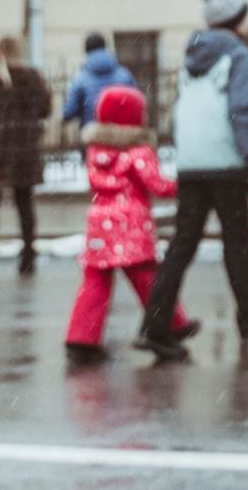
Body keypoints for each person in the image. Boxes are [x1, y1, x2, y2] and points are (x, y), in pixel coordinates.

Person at [139, 0, 248, 359]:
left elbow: (179, 112)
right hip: (225, 164)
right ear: (236, 18)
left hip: (192, 164)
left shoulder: (192, 56)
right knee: (237, 244)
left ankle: (155, 326)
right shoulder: (240, 56)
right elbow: (242, 110)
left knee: (181, 246)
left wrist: (185, 154)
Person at [64, 85, 194, 364]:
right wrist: (183, 185)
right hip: (131, 224)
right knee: (148, 278)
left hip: (100, 224)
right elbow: (157, 185)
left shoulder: (95, 150)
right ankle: (172, 323)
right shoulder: (138, 151)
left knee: (95, 281)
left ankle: (81, 339)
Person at [0, 34, 50, 276]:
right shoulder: (33, 79)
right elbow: (46, 108)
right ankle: (27, 257)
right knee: (24, 202)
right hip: (25, 150)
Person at [62, 33, 137, 128]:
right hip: (121, 135)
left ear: (86, 51)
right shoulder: (125, 75)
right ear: (105, 47)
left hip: (92, 134)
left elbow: (68, 113)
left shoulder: (79, 79)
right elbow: (135, 105)